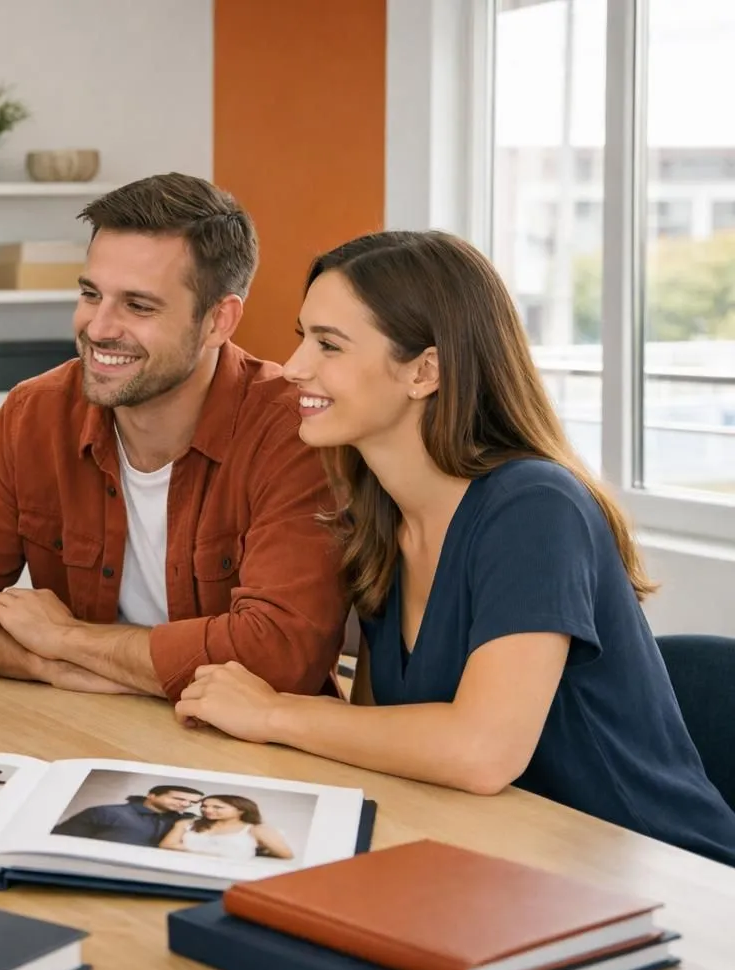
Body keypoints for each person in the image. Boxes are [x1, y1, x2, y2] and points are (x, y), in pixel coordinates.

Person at [173, 230, 735, 866]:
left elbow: (481, 751)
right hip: (501, 859)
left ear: (425, 371)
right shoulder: (382, 516)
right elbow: (379, 735)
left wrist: (274, 714)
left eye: (328, 344)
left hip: (660, 874)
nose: (296, 365)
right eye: (303, 336)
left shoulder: (534, 507)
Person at [0, 172, 348, 704]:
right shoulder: (35, 413)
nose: (99, 328)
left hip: (249, 758)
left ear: (219, 320)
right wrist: (41, 661)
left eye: (139, 305)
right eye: (90, 294)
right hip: (89, 729)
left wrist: (67, 638)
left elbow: (281, 653)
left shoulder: (295, 429)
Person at [51, 784, 202, 846]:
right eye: (179, 799)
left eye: (191, 802)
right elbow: (61, 840)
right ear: (152, 796)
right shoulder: (105, 812)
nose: (185, 804)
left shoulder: (184, 821)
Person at [158, 794, 292, 859]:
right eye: (204, 806)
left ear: (241, 810)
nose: (207, 810)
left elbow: (286, 855)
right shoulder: (186, 823)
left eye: (217, 807)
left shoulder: (256, 830)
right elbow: (167, 845)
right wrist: (228, 852)